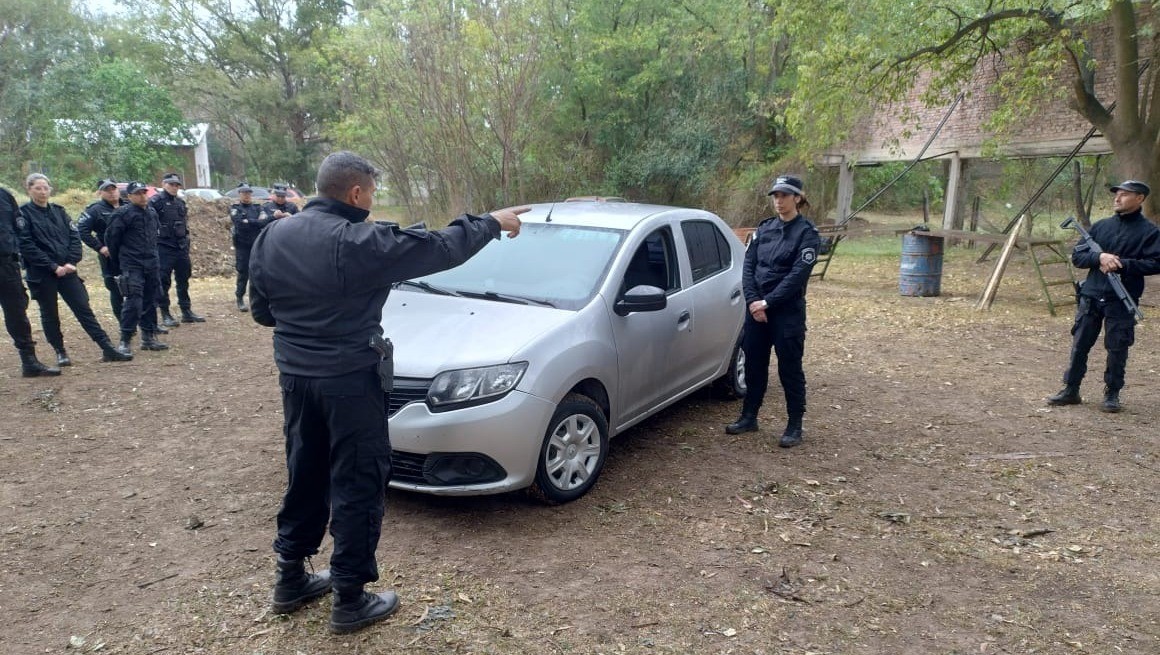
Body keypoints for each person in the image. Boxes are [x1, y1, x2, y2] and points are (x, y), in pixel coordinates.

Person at [248, 151, 526, 634]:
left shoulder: (274, 234)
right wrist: (491, 223)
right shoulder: (358, 240)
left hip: (296, 378)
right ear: (355, 193)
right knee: (356, 480)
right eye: (371, 194)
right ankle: (350, 598)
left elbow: (262, 312)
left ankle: (289, 578)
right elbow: (440, 248)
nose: (372, 203)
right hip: (350, 380)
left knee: (306, 470)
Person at [1046, 180, 1160, 412]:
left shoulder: (1150, 232)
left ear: (1139, 198)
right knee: (1080, 345)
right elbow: (1078, 258)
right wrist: (1099, 258)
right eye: (1116, 194)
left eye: (1124, 194)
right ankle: (1071, 389)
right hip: (1091, 295)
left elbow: (1156, 263)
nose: (1117, 198)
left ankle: (1112, 394)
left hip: (1121, 298)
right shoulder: (1100, 226)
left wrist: (1121, 264)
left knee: (1117, 347)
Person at [725, 174, 821, 448]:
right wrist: (754, 302)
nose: (779, 201)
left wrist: (768, 303)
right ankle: (749, 417)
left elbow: (796, 277)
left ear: (798, 198)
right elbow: (748, 267)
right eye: (776, 196)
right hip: (757, 312)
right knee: (754, 364)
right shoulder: (764, 229)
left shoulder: (808, 235)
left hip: (786, 313)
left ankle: (794, 425)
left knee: (790, 369)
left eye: (784, 196)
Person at [16, 174, 132, 364]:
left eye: (46, 187)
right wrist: (53, 266)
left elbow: (74, 237)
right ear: (29, 190)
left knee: (84, 309)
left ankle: (107, 347)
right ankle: (60, 352)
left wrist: (71, 262)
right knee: (49, 314)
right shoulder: (23, 215)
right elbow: (27, 246)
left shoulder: (60, 212)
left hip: (68, 271)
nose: (43, 192)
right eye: (38, 188)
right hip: (42, 273)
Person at [1, 185, 60, 377]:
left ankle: (29, 361)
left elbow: (18, 228)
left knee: (17, 312)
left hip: (6, 264)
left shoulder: (4, 196)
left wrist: (14, 252)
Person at [105, 181, 169, 356]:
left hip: (152, 263)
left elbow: (155, 237)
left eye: (144, 192)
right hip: (132, 264)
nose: (142, 196)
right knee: (133, 301)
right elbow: (112, 240)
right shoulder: (122, 214)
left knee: (151, 299)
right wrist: (119, 263)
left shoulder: (151, 212)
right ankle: (125, 339)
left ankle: (148, 337)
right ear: (129, 196)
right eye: (138, 193)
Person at [149, 172, 204, 326]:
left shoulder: (180, 203)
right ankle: (165, 313)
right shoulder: (155, 202)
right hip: (163, 248)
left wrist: (186, 244)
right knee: (163, 282)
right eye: (171, 184)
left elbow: (184, 224)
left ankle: (186, 311)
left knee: (183, 280)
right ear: (163, 184)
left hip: (180, 247)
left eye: (176, 185)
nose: (174, 187)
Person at [76, 178, 126, 321]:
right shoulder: (95, 210)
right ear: (100, 193)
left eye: (113, 189)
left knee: (137, 287)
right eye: (107, 190)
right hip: (111, 257)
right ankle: (124, 323)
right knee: (116, 290)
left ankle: (142, 321)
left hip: (131, 255)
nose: (112, 193)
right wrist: (100, 247)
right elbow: (82, 231)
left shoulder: (128, 206)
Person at [229, 182, 266, 312]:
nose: (247, 195)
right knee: (243, 272)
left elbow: (264, 222)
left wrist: (249, 222)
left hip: (256, 245)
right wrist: (255, 222)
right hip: (242, 246)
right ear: (239, 193)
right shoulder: (235, 208)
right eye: (244, 193)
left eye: (248, 193)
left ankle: (256, 299)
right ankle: (239, 297)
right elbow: (239, 224)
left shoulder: (257, 207)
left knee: (257, 273)